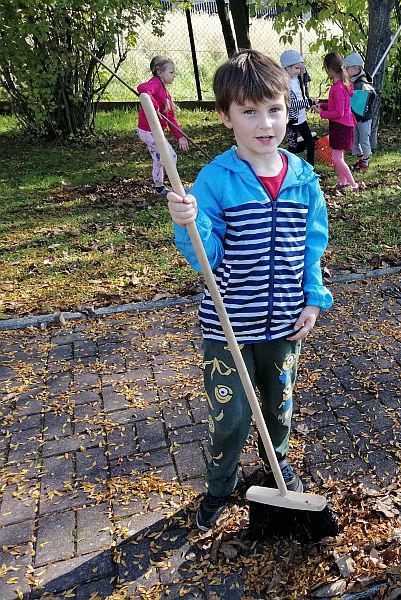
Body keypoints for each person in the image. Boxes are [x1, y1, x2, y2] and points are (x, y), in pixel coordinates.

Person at [165, 50, 333, 531]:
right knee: (233, 414)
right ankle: (220, 485)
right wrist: (189, 226)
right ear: (226, 117)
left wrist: (313, 299)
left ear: (289, 106)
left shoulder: (303, 178)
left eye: (275, 109)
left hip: (284, 320)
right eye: (249, 111)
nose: (265, 123)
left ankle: (276, 467)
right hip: (229, 325)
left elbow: (313, 245)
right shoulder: (217, 180)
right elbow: (207, 258)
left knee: (278, 407)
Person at [136, 56, 189, 195]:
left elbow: (170, 116)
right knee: (170, 156)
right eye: (171, 72)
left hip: (152, 131)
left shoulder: (164, 92)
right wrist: (153, 107)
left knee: (159, 158)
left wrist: (180, 137)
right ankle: (176, 187)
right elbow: (142, 88)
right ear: (159, 72)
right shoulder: (154, 84)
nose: (174, 76)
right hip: (149, 131)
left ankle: (159, 187)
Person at [314, 52, 358, 191]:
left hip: (341, 126)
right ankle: (343, 182)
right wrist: (323, 106)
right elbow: (338, 106)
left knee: (336, 157)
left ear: (330, 69)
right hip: (343, 125)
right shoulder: (343, 85)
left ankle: (352, 184)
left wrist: (322, 113)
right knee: (339, 156)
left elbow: (339, 113)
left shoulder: (338, 88)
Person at [280, 49, 316, 166]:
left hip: (301, 118)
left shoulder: (297, 80)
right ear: (286, 68)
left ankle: (311, 168)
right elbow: (291, 105)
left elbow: (304, 77)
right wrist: (308, 102)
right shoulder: (285, 85)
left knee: (310, 143)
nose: (299, 71)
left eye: (300, 68)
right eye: (296, 68)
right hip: (292, 120)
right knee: (293, 147)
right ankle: (290, 169)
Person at [343, 53, 376, 171]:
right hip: (354, 116)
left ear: (356, 68)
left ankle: (365, 162)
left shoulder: (362, 82)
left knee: (363, 138)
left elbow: (372, 94)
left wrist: (365, 104)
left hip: (364, 117)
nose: (345, 71)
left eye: (347, 68)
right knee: (355, 138)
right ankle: (360, 158)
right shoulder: (352, 80)